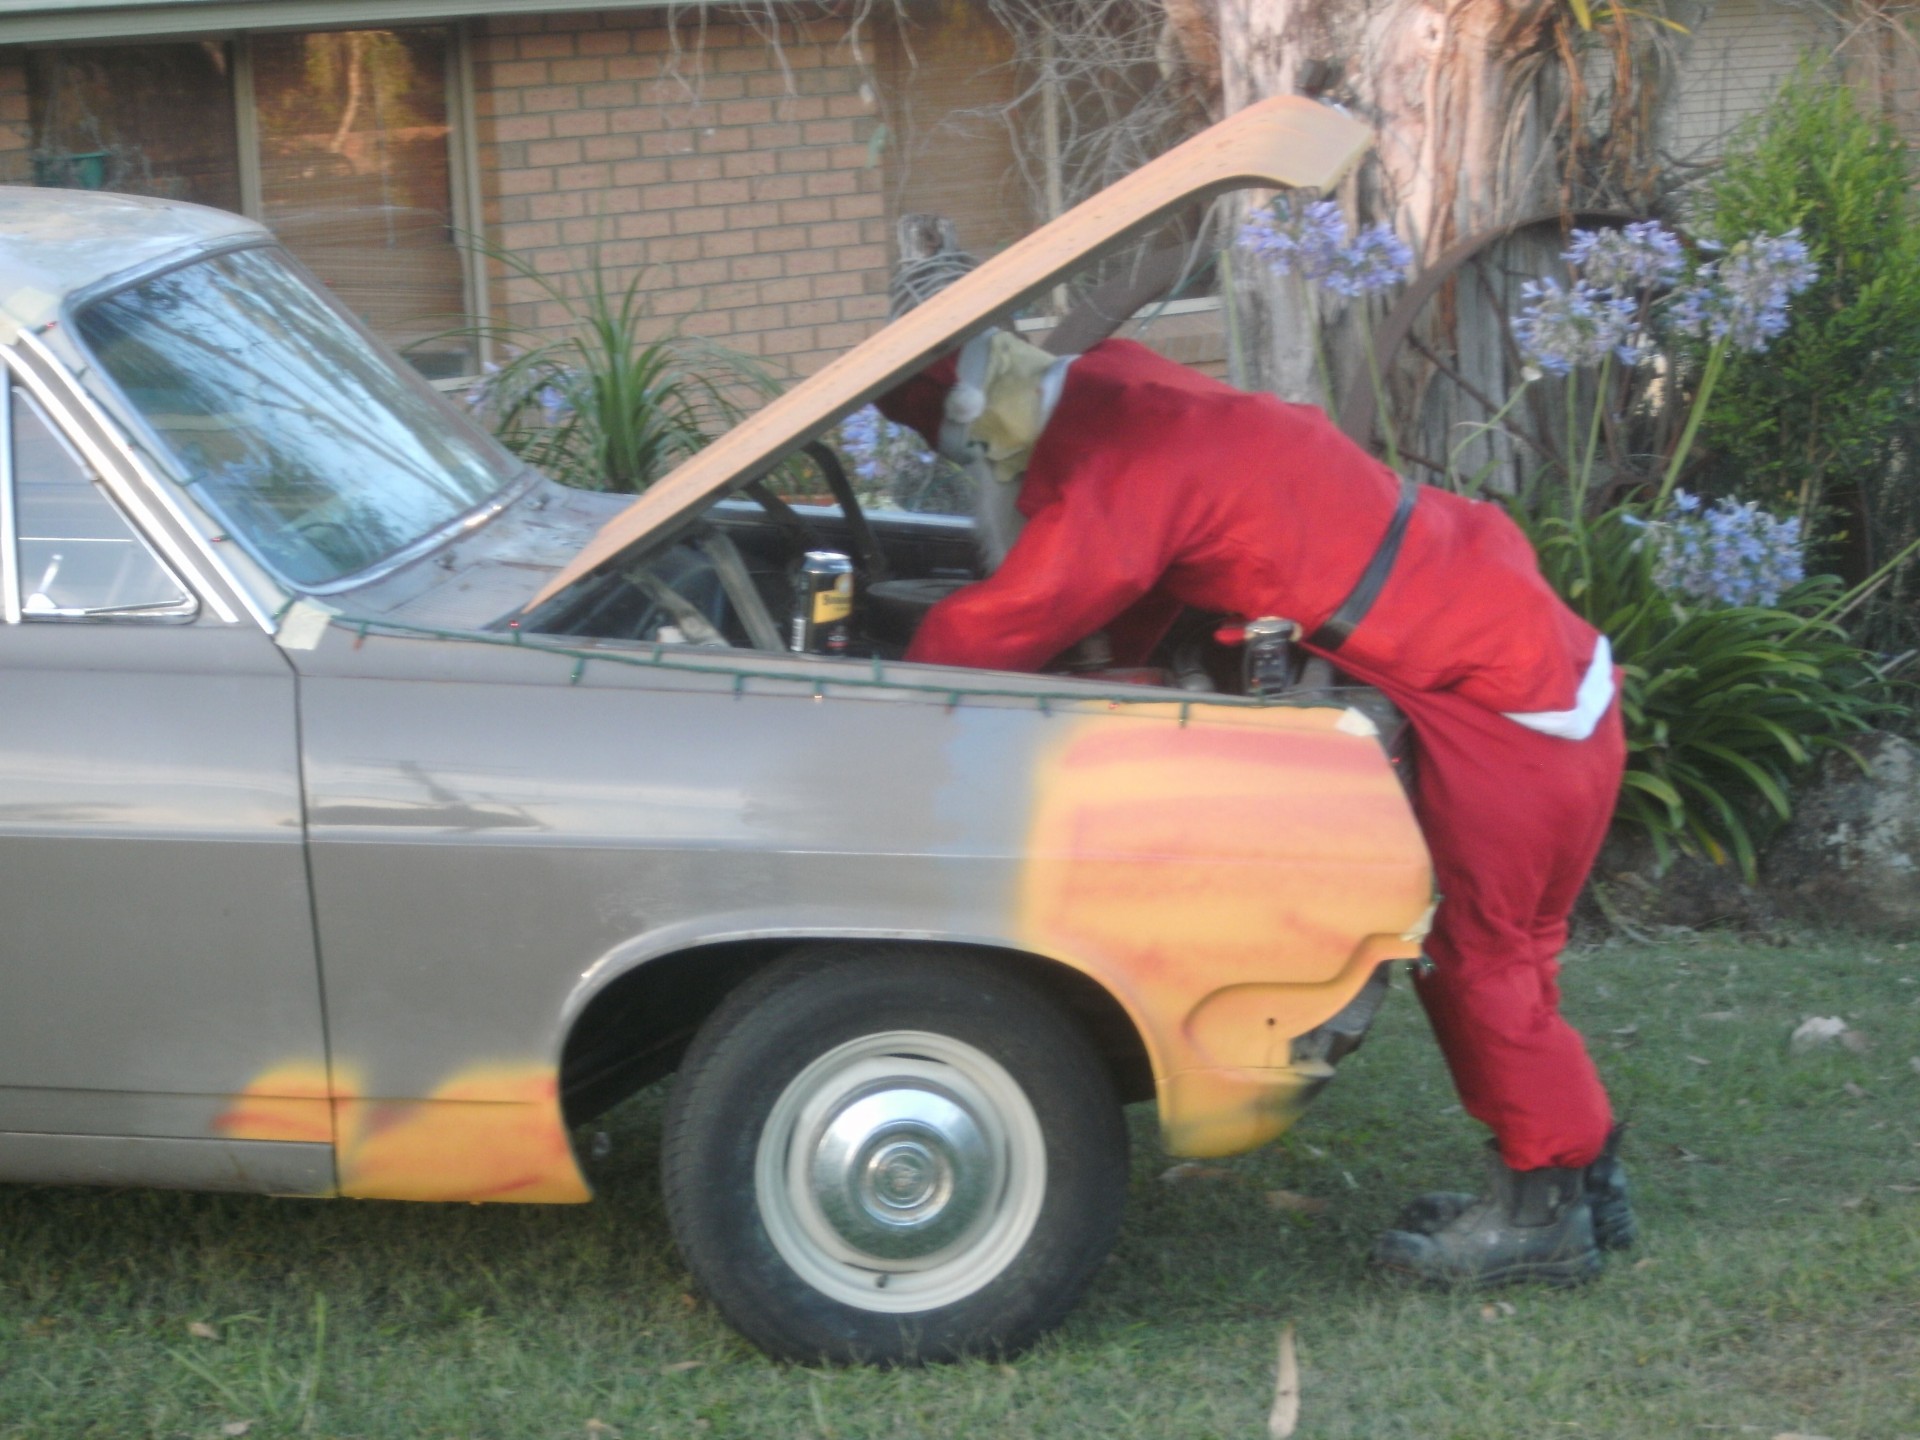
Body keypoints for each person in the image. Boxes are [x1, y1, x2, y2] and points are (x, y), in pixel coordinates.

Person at [874, 283, 1636, 1287]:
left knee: (1482, 964)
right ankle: (1584, 1185)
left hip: (1505, 708)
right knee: (1518, 959)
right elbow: (1168, 559)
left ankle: (1542, 1214)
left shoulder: (1119, 474)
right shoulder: (1121, 384)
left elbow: (996, 628)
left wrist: (882, 689)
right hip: (1545, 665)